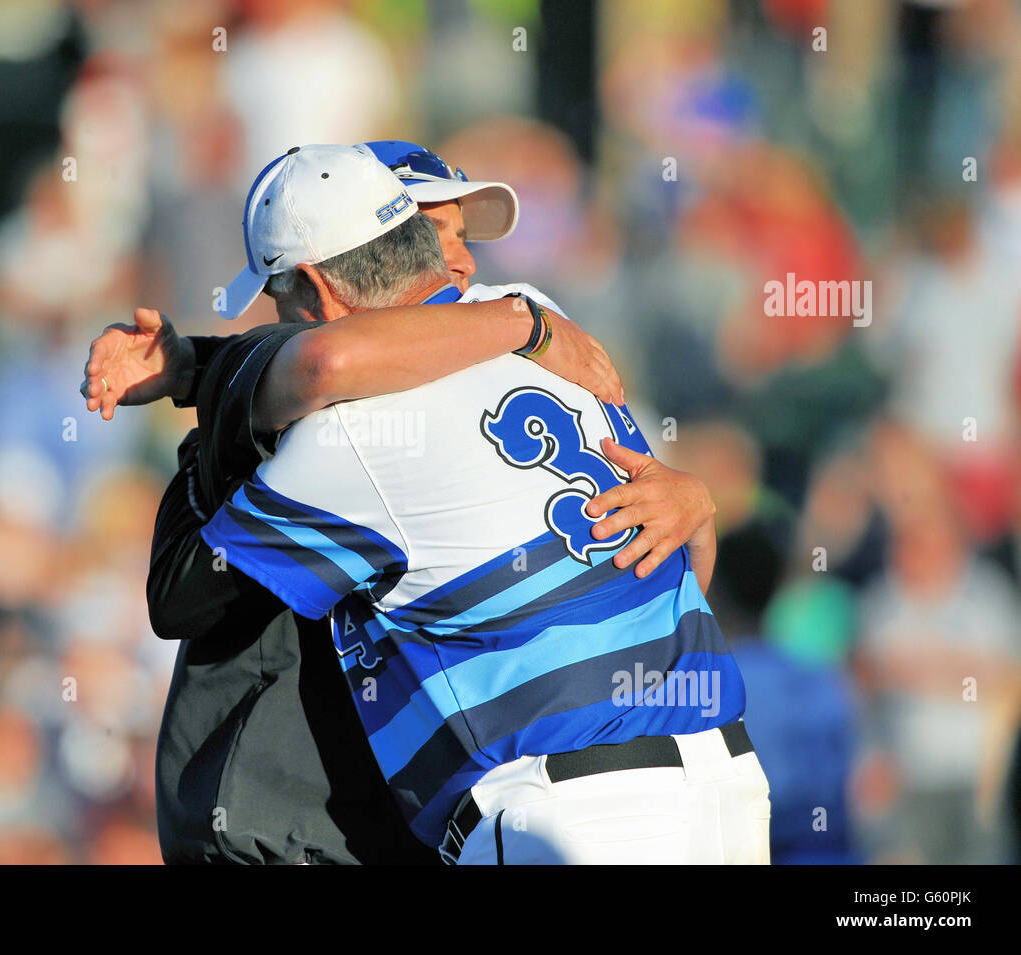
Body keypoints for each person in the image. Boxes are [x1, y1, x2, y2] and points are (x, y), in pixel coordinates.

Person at [85, 143, 717, 864]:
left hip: (555, 809)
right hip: (716, 772)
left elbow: (180, 591)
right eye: (440, 232)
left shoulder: (356, 422)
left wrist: (205, 387)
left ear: (316, 292)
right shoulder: (541, 323)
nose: (466, 266)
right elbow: (685, 566)